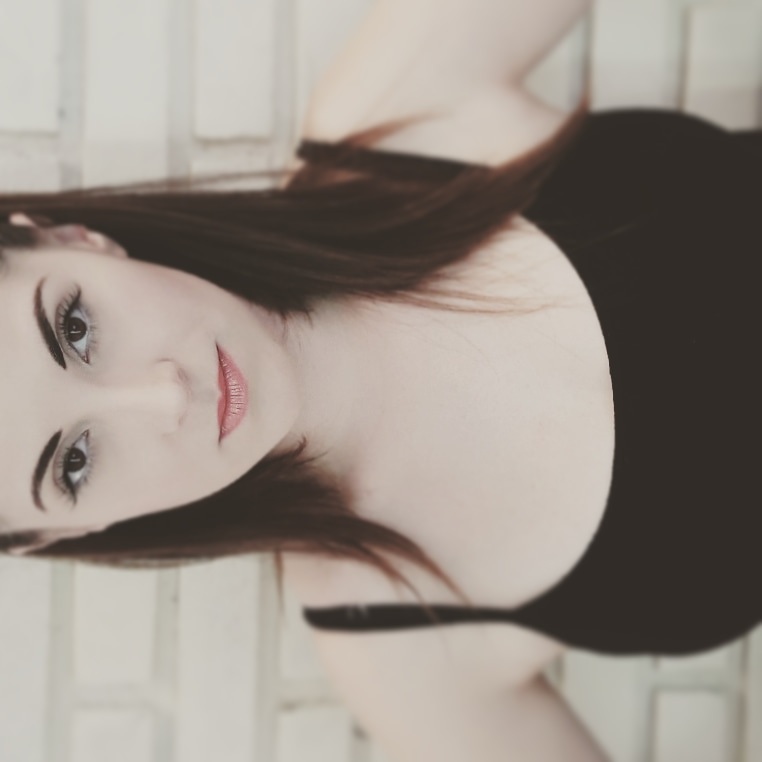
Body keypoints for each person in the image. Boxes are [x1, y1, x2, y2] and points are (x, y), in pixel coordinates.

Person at [1, 1, 760, 759]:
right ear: (69, 532)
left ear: (75, 239)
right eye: (75, 463)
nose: (167, 395)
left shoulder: (391, 123)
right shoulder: (403, 651)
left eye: (76, 327)